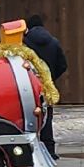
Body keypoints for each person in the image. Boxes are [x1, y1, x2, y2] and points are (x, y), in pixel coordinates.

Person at [25, 14, 67, 159]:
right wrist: (50, 77)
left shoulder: (23, 44)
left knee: (27, 115)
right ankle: (49, 150)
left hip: (27, 86)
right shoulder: (53, 42)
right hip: (46, 87)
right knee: (46, 116)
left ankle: (30, 150)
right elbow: (63, 65)